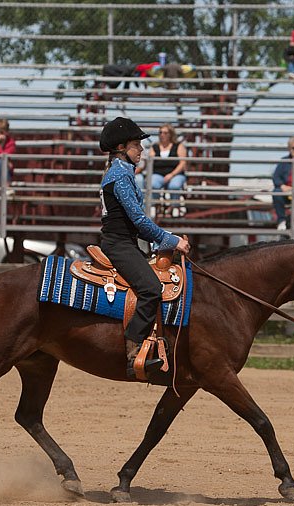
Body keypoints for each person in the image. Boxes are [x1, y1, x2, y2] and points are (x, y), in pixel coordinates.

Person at [98, 117, 190, 382]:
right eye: (137, 144)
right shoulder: (119, 175)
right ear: (121, 147)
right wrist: (172, 240)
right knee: (151, 288)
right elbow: (137, 219)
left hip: (125, 242)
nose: (141, 149)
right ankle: (133, 349)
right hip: (119, 245)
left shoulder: (122, 172)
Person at [145, 123, 187, 206]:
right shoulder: (155, 147)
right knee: (152, 184)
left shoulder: (178, 146)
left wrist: (171, 174)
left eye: (165, 133)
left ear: (170, 134)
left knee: (174, 186)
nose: (162, 135)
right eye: (160, 132)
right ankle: (156, 206)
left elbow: (182, 163)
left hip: (175, 174)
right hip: (158, 173)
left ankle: (174, 207)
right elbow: (149, 161)